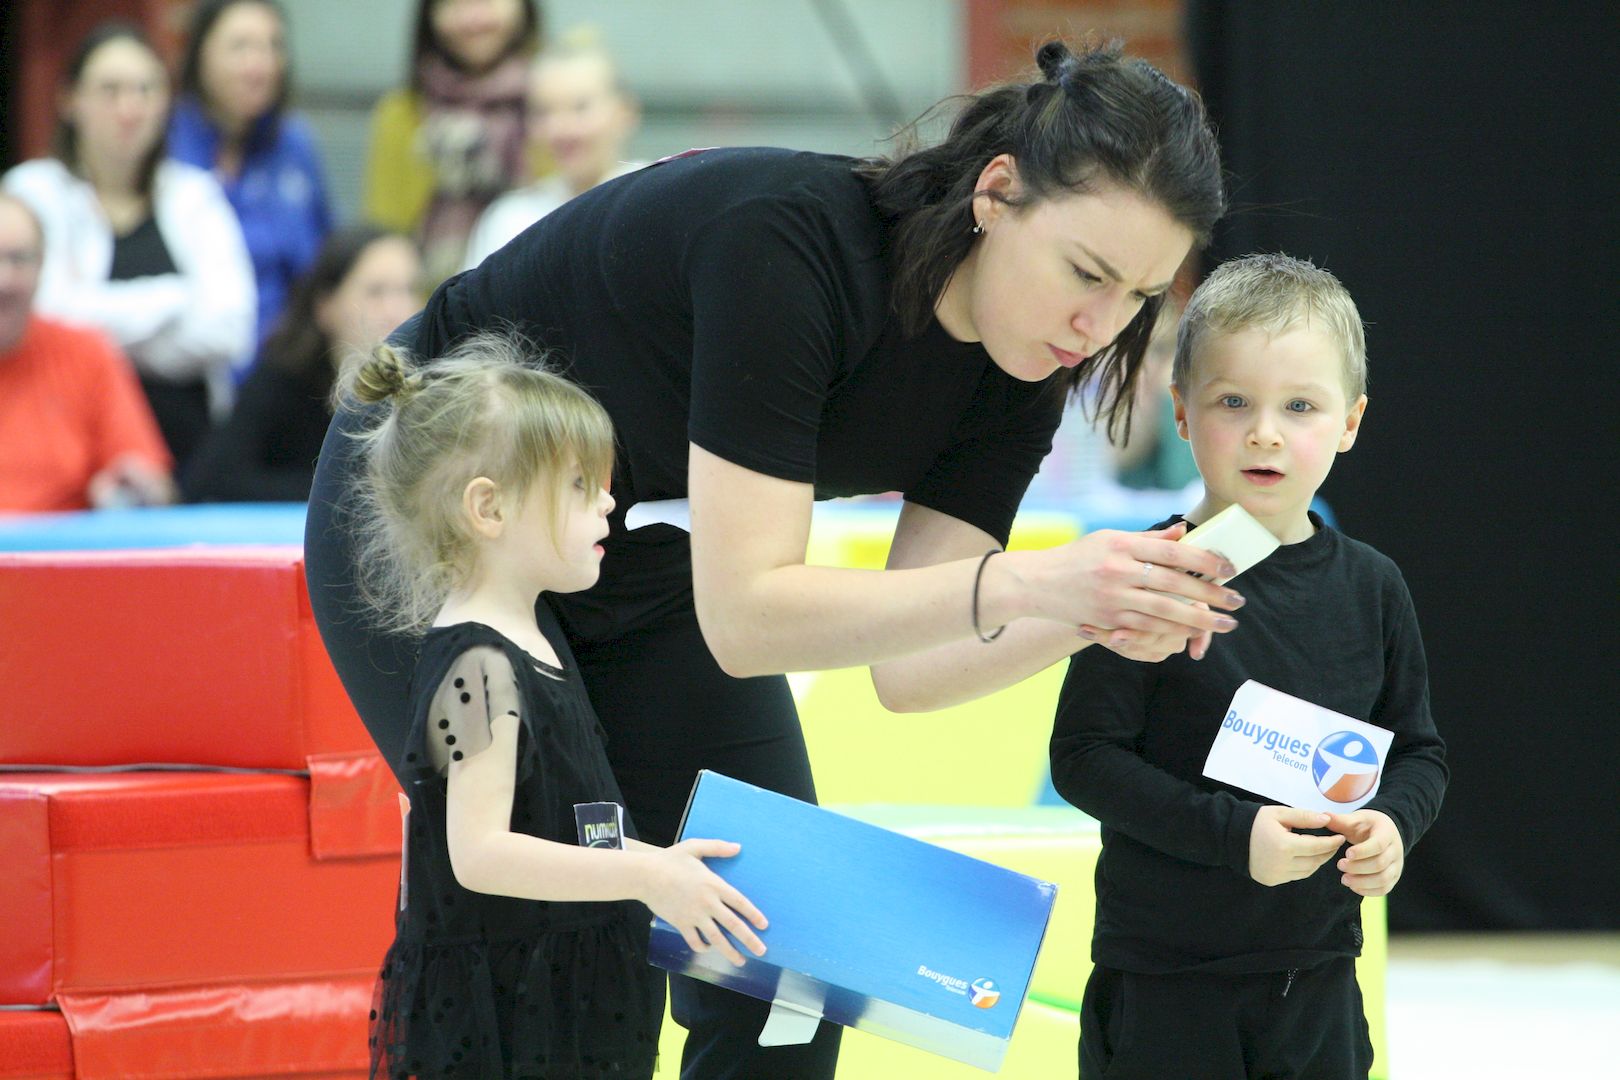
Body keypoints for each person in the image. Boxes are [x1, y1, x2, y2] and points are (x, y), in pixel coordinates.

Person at [312, 40, 1244, 1079]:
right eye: (1086, 273)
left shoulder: (1023, 369)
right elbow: (749, 619)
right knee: (557, 935)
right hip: (441, 508)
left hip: (630, 553)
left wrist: (1091, 610)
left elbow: (911, 669)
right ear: (996, 194)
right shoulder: (790, 245)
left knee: (786, 968)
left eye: (1139, 296)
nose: (1099, 325)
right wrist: (1037, 580)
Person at [1048, 253, 1448, 1079]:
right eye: (1234, 402)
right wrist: (1237, 838)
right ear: (1182, 412)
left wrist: (1393, 825)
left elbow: (1418, 752)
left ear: (1350, 422)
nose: (1266, 432)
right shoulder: (1145, 573)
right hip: (1163, 978)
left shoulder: (1373, 587)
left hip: (1317, 976)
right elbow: (1084, 758)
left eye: (1300, 406)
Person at [342, 334, 766, 1079]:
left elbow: (568, 824)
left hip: (571, 989)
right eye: (578, 486)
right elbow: (480, 853)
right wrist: (646, 879)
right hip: (512, 1013)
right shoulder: (478, 668)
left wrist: (659, 862)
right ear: (488, 508)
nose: (608, 501)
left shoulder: (532, 640)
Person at [3, 21, 256, 474]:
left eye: (146, 89)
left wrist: (95, 323)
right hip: (64, 450)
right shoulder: (32, 192)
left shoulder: (196, 196)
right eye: (110, 90)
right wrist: (174, 298)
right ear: (70, 100)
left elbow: (229, 330)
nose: (130, 108)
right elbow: (41, 314)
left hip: (191, 446)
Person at [185, 225, 419, 502]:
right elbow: (211, 479)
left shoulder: (430, 384)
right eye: (375, 292)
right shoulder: (284, 379)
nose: (396, 311)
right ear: (325, 306)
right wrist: (344, 492)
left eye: (409, 290)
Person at [170, 0, 335, 367]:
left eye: (273, 46)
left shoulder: (295, 144)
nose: (260, 66)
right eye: (240, 46)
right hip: (189, 365)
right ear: (199, 55)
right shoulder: (165, 143)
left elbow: (326, 263)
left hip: (287, 365)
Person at [0, 193, 173, 512]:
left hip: (64, 539)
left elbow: (152, 480)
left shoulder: (85, 352)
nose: (4, 280)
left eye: (18, 259)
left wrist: (132, 487)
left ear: (42, 266)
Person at [364, 0, 542, 286]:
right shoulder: (400, 114)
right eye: (452, 3)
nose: (473, 18)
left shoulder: (555, 104)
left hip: (536, 290)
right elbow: (384, 236)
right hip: (428, 300)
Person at [461, 28, 643, 270]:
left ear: (625, 112)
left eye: (580, 107)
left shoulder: (657, 201)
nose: (559, 129)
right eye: (542, 112)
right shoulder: (509, 219)